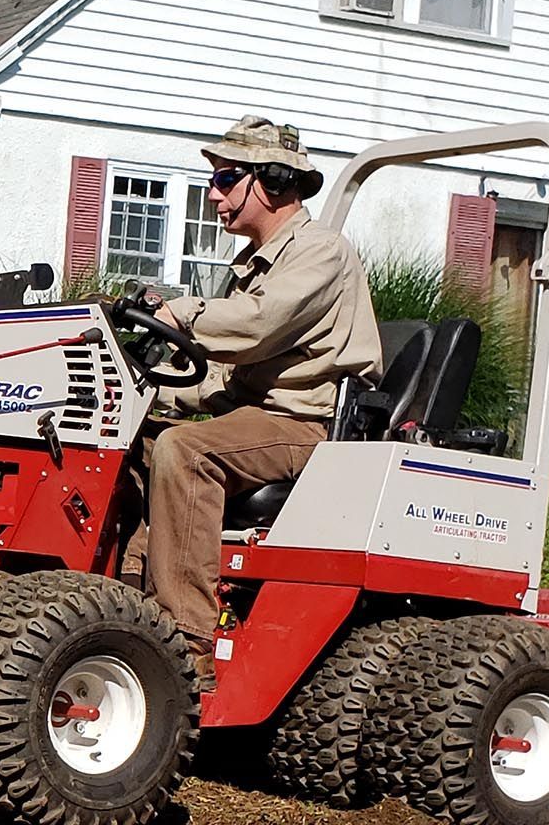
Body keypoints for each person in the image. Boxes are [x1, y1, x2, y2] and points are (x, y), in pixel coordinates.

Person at [127, 115, 382, 685]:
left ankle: (186, 641)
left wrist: (180, 311)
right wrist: (144, 385)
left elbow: (256, 326)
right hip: (250, 418)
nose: (212, 195)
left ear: (272, 182)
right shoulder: (253, 265)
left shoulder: (321, 253)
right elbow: (221, 376)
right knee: (128, 443)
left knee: (185, 452)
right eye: (213, 181)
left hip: (303, 425)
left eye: (225, 179)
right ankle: (123, 603)